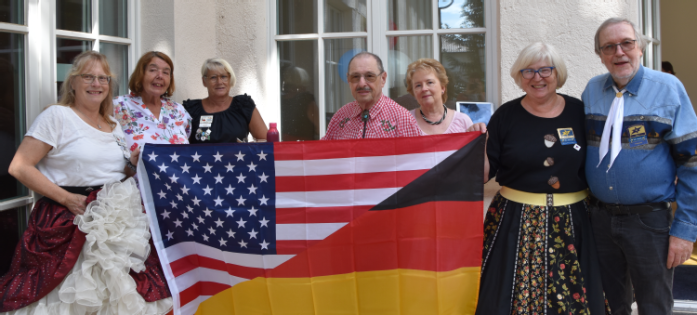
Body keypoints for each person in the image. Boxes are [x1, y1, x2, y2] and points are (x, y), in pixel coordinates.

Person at [0, 51, 172, 314]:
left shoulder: (112, 124)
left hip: (114, 222)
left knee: (118, 297)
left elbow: (112, 172)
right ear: (72, 82)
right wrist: (66, 199)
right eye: (88, 76)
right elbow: (20, 167)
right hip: (68, 219)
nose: (96, 84)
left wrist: (134, 164)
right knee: (71, 299)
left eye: (103, 78)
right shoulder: (57, 117)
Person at [476, 42, 608, 314]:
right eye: (528, 71)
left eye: (545, 70)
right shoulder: (505, 116)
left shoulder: (579, 112)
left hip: (575, 222)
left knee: (573, 299)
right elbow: (483, 175)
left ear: (557, 73)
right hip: (514, 221)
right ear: (519, 77)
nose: (537, 78)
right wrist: (476, 144)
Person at [583, 18, 697, 315]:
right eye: (609, 47)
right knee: (609, 305)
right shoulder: (593, 90)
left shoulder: (668, 89)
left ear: (640, 48)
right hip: (600, 221)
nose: (619, 52)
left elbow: (692, 161)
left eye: (626, 43)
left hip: (649, 223)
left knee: (654, 305)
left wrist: (685, 230)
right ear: (600, 54)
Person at [323, 52, 420, 140]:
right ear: (348, 80)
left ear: (383, 79)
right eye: (355, 77)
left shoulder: (402, 119)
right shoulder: (340, 117)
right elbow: (325, 154)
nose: (361, 84)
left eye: (369, 76)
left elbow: (416, 158)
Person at [114, 51, 191, 152]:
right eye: (153, 70)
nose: (160, 76)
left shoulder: (178, 110)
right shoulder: (119, 105)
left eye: (166, 72)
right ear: (141, 74)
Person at [183, 58, 268, 143]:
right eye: (213, 77)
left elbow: (267, 142)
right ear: (204, 81)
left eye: (223, 77)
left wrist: (251, 146)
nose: (219, 82)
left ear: (230, 79)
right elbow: (180, 147)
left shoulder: (243, 106)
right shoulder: (191, 110)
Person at [405, 58, 484, 135]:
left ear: (443, 87)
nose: (424, 89)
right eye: (418, 85)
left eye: (429, 82)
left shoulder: (463, 122)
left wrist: (480, 132)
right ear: (414, 93)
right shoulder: (405, 123)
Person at [280, 66, 319, 141]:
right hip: (304, 147)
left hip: (285, 146)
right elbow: (320, 126)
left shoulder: (280, 100)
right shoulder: (306, 100)